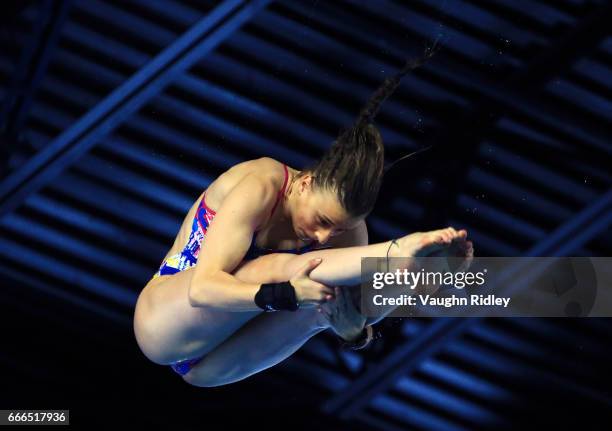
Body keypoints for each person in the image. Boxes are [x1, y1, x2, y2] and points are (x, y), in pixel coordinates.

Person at [133, 47, 474, 387]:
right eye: (324, 221)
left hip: (212, 368)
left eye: (338, 228)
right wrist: (286, 295)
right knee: (279, 269)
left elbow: (355, 314)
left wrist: (354, 333)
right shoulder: (262, 184)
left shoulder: (349, 235)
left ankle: (410, 271)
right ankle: (396, 251)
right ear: (307, 183)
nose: (325, 237)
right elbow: (204, 289)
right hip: (166, 323)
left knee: (327, 302)